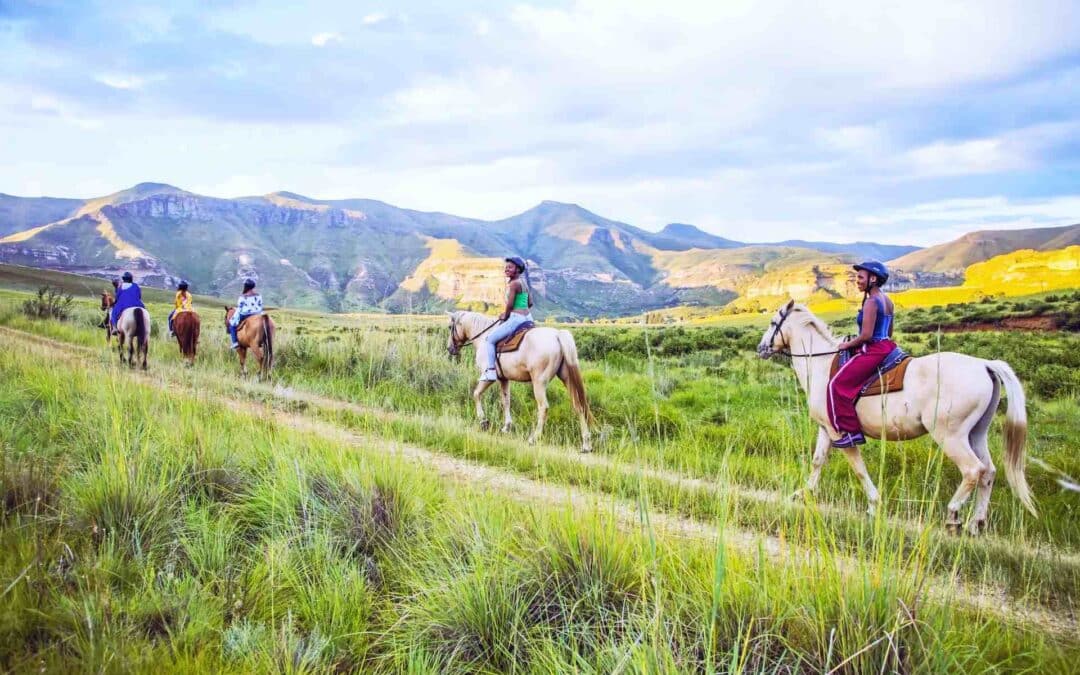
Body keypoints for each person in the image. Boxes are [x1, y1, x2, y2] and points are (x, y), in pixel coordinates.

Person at [827, 261, 897, 448]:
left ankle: (851, 432)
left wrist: (846, 345)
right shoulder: (887, 300)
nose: (857, 280)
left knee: (837, 384)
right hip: (887, 346)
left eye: (860, 277)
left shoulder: (871, 302)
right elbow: (888, 333)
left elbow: (866, 336)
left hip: (873, 350)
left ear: (872, 279)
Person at [478, 256, 534, 382]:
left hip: (516, 318)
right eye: (506, 267)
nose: (506, 269)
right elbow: (530, 303)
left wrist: (506, 315)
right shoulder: (524, 283)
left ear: (518, 270)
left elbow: (509, 304)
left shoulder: (514, 284)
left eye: (510, 267)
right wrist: (521, 307)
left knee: (490, 340)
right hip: (528, 318)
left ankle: (491, 371)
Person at [228, 278, 264, 349]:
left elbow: (240, 307)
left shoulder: (243, 297)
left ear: (246, 286)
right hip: (258, 313)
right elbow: (260, 305)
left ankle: (234, 342)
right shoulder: (258, 295)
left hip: (246, 314)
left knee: (232, 324)